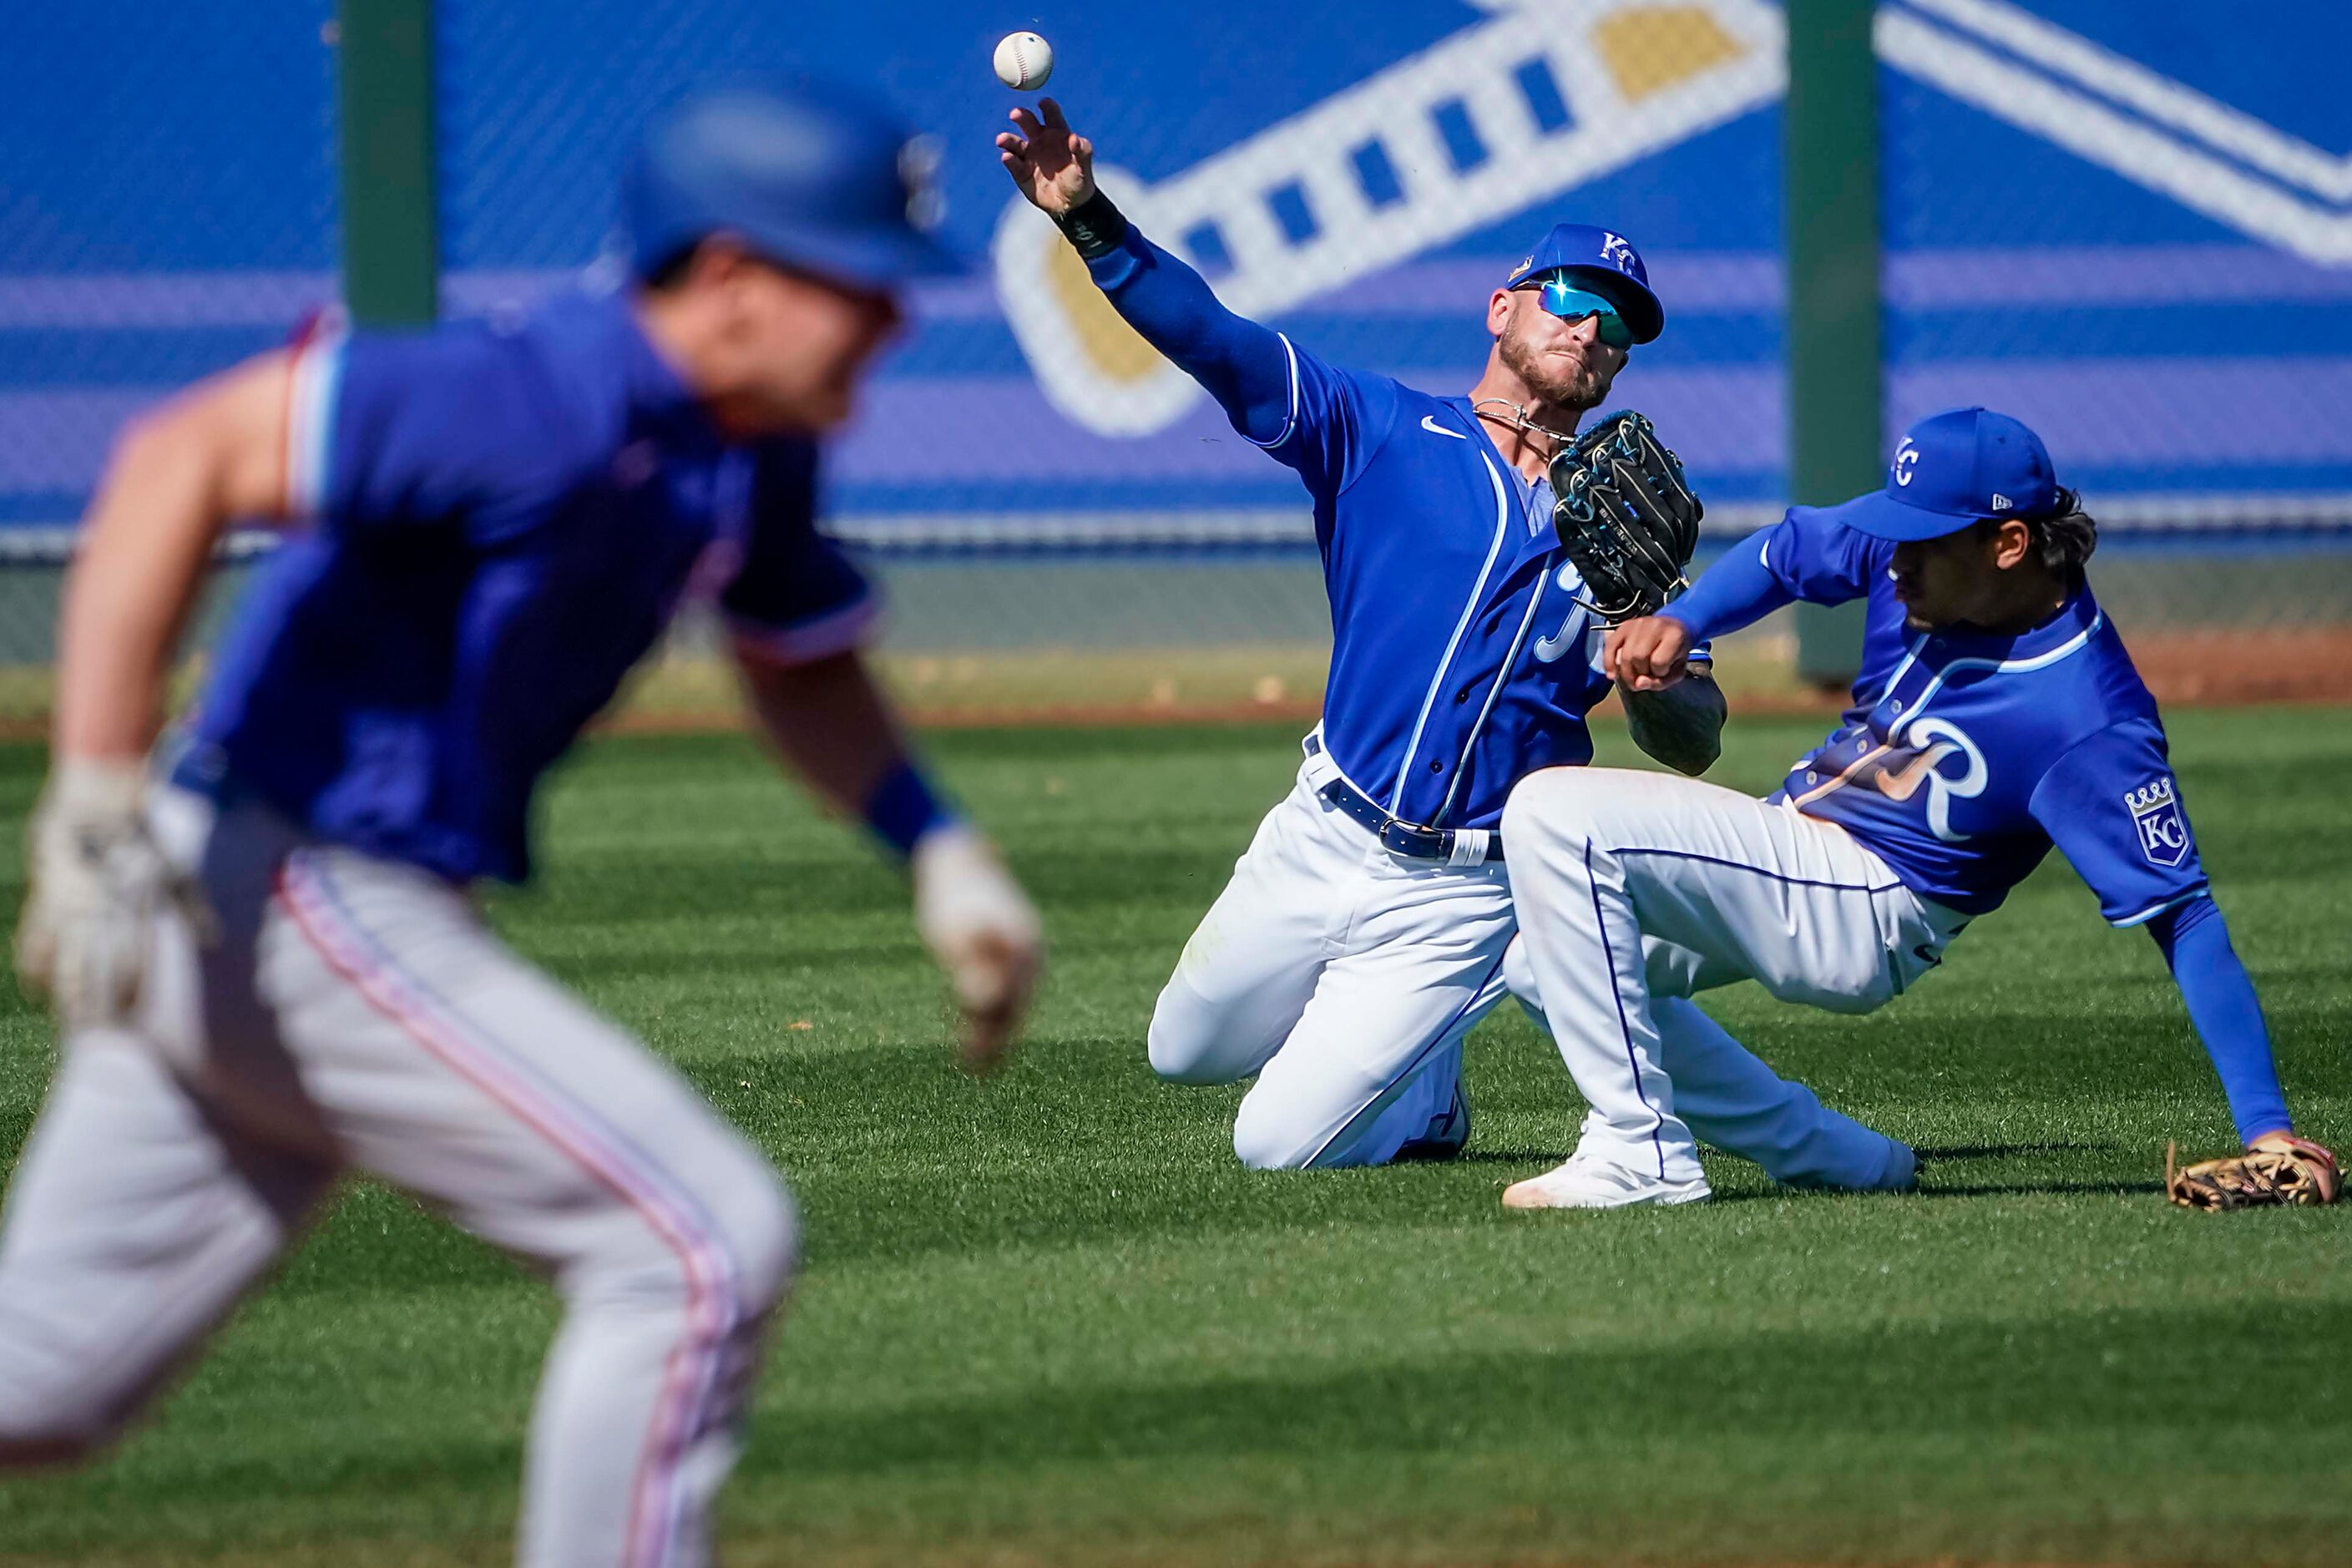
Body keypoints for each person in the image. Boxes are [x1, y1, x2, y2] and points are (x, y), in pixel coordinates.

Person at [0, 79, 1042, 1568]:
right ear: (735, 278)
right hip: (285, 878)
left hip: (297, 908)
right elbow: (181, 456)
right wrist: (95, 782)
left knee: (38, 1389)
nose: (889, 326)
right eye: (860, 289)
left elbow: (798, 659)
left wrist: (936, 845)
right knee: (697, 1246)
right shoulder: (525, 389)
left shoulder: (747, 441)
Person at [999, 99, 1911, 1187]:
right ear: (1502, 308)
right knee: (1182, 1049)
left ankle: (1424, 1075)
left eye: (1618, 326)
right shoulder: (1378, 429)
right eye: (1573, 297)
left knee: (1272, 1146)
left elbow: (1694, 742)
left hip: (1465, 889)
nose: (1591, 330)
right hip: (1323, 827)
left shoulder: (1629, 532)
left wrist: (1652, 670)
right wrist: (1087, 218)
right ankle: (1418, 1062)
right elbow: (1216, 342)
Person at [1498, 406, 2336, 1207]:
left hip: (1873, 902)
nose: (1893, 561)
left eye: (1920, 545)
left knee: (1554, 816)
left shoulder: (2090, 719)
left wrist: (2269, 1128)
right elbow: (1791, 552)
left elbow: (2183, 917)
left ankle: (1639, 1152)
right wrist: (1684, 619)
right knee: (1545, 968)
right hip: (1793, 841)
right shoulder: (1928, 549)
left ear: (2009, 543)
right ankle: (1831, 1153)